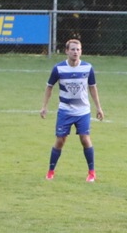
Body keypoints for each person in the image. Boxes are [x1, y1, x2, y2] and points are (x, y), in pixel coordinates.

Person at [40, 38, 103, 181]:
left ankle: (91, 172)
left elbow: (93, 87)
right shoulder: (58, 68)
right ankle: (51, 171)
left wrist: (98, 108)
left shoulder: (87, 68)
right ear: (67, 51)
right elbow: (49, 86)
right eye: (73, 49)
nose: (76, 52)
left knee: (85, 139)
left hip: (83, 111)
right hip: (65, 111)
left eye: (78, 49)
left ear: (81, 51)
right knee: (60, 140)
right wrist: (44, 106)